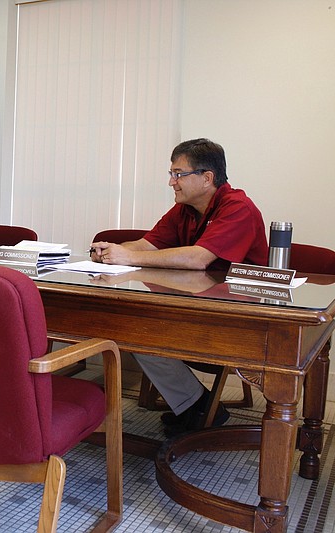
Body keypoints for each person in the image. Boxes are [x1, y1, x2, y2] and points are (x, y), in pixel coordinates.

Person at [89, 138, 268, 435]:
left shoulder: (239, 207)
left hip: (238, 318)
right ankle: (196, 405)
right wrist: (113, 250)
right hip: (194, 305)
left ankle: (194, 406)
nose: (171, 182)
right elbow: (147, 244)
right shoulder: (184, 208)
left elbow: (199, 260)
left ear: (206, 177)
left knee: (139, 329)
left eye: (178, 174)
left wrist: (129, 256)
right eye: (171, 173)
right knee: (131, 324)